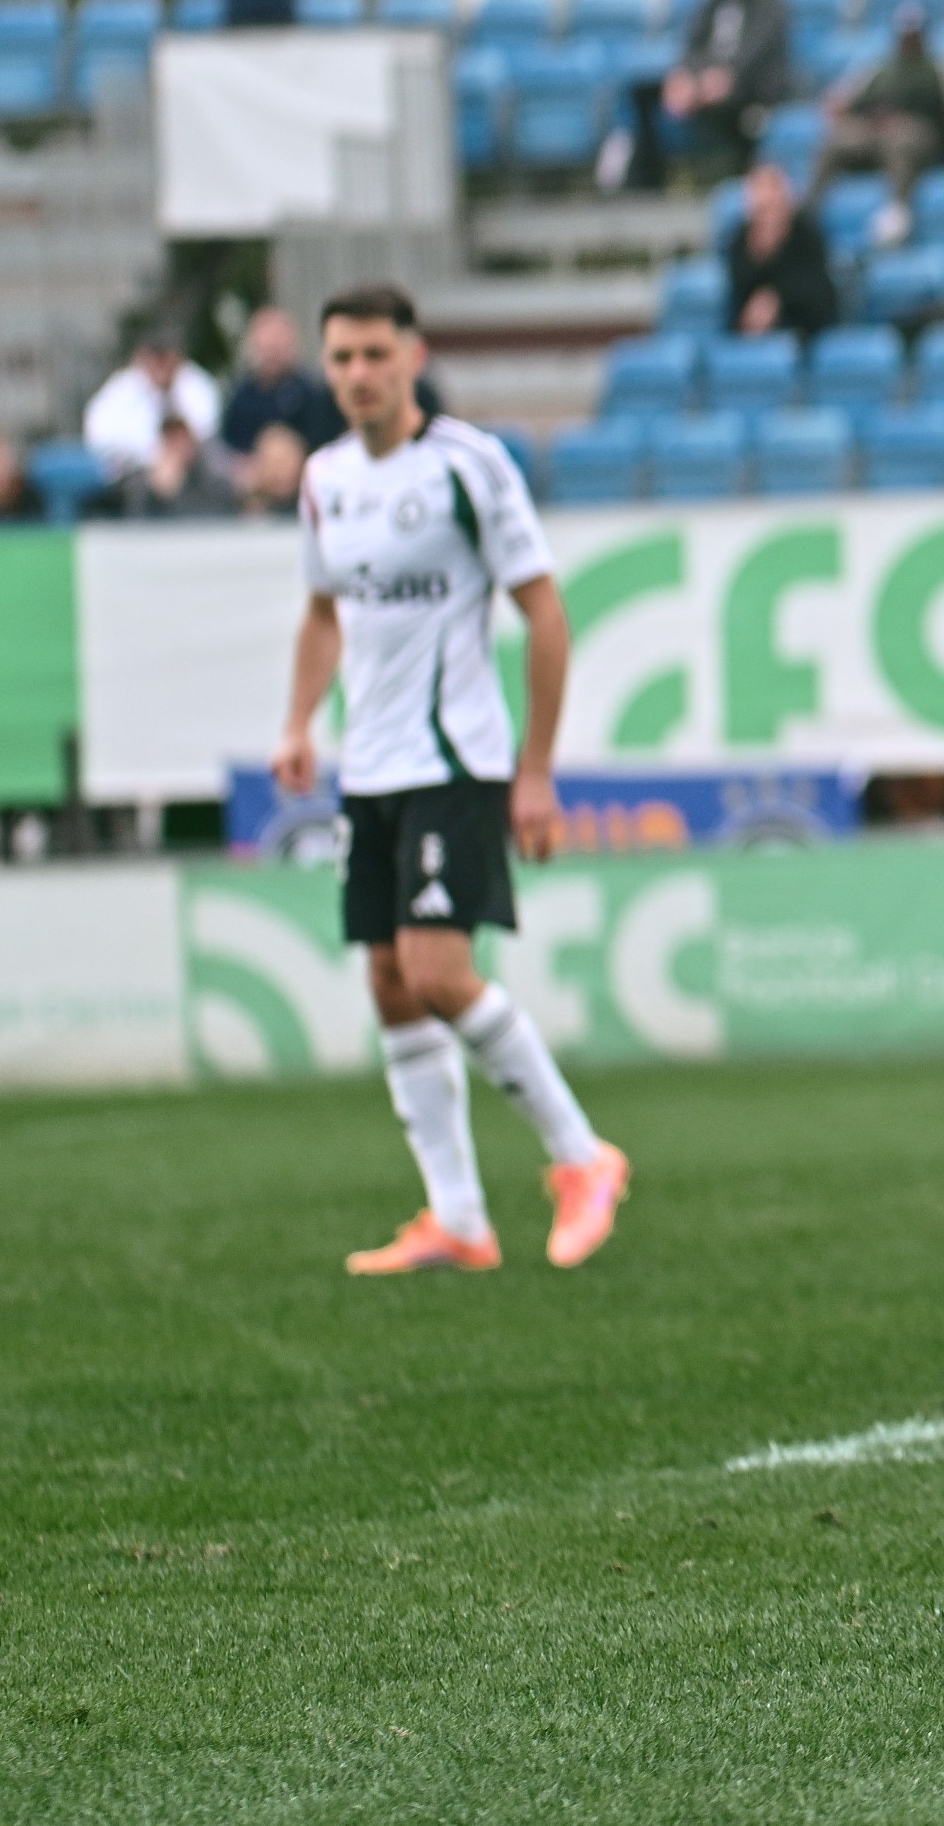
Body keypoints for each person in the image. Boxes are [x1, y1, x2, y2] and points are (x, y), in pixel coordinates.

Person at [272, 283, 627, 1276]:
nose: (358, 375)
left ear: (413, 358)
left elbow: (544, 613)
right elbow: (322, 613)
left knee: (436, 972)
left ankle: (581, 1155)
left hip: (454, 759)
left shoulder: (470, 465)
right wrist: (298, 722)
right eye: (342, 358)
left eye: (375, 355)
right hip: (369, 767)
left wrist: (535, 770)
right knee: (390, 983)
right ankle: (460, 1217)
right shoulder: (324, 478)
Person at [643, 0, 791, 189]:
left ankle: (727, 180)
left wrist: (725, 76)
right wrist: (686, 77)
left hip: (752, 87)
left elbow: (754, 52)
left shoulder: (772, 1)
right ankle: (646, 184)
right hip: (710, 81)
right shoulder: (712, 0)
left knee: (725, 98)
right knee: (644, 92)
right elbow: (693, 46)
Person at [807, 3, 944, 224]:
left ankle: (898, 211)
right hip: (876, 132)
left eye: (915, 35)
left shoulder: (940, 67)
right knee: (840, 139)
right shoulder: (880, 69)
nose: (910, 40)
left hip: (920, 136)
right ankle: (808, 210)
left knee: (900, 140)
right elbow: (847, 101)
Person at [82, 326, 222, 478]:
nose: (162, 367)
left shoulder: (196, 383)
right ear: (142, 358)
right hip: (135, 471)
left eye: (166, 359)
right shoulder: (122, 388)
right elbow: (97, 432)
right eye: (156, 360)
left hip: (193, 466)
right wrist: (150, 454)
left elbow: (205, 429)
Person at [724, 161, 836, 341]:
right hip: (752, 335)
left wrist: (777, 298)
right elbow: (738, 295)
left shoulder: (807, 234)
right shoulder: (738, 240)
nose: (766, 198)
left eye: (772, 189)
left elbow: (819, 292)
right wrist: (759, 253)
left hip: (804, 330)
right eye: (758, 189)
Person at [219, 304, 345, 458]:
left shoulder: (314, 394)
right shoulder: (240, 397)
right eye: (266, 349)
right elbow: (227, 448)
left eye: (277, 348)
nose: (271, 356)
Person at [112, 411, 240, 519]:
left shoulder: (214, 482)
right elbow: (135, 524)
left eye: (182, 438)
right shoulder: (141, 484)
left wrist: (176, 493)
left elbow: (211, 521)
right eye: (172, 439)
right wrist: (159, 492)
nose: (179, 446)